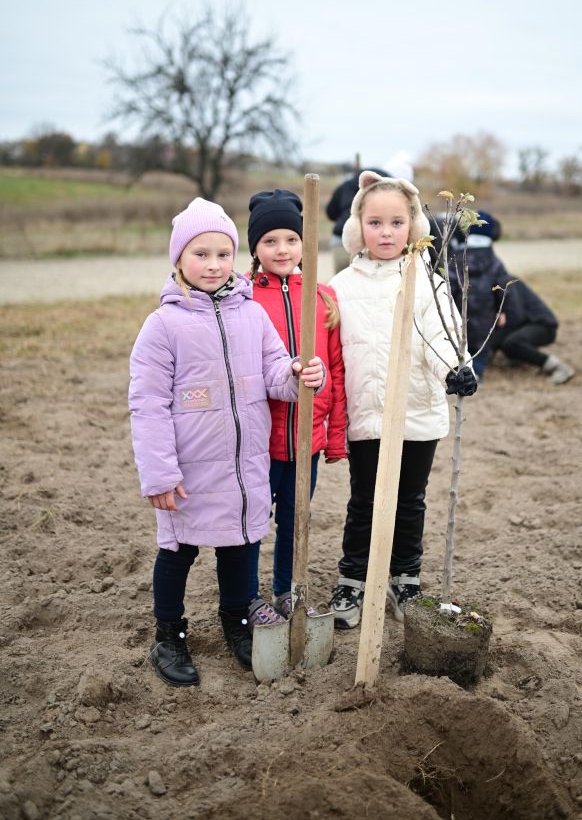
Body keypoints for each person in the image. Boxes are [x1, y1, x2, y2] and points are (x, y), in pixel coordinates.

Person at [128, 197, 324, 687]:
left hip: (243, 466)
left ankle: (238, 622)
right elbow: (147, 406)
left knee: (241, 544)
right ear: (179, 260)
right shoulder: (162, 327)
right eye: (201, 254)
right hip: (189, 471)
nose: (213, 265)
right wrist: (159, 474)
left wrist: (299, 373)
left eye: (222, 254)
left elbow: (277, 376)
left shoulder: (251, 315)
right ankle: (168, 633)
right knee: (178, 552)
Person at [327, 171, 477, 629]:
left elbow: (440, 334)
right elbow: (329, 348)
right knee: (365, 501)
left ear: (412, 226)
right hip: (367, 414)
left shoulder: (425, 280)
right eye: (375, 223)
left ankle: (404, 578)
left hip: (416, 411)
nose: (386, 232)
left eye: (396, 222)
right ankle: (354, 580)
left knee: (410, 501)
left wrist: (456, 366)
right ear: (358, 228)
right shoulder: (340, 286)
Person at [246, 189, 348, 617]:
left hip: (307, 439)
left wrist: (336, 437)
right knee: (249, 523)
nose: (282, 249)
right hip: (258, 441)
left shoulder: (323, 297)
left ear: (304, 243)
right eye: (269, 241)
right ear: (254, 247)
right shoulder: (242, 297)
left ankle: (286, 591)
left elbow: (337, 370)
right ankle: (248, 596)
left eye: (290, 239)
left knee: (294, 521)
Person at [447, 210, 510, 379]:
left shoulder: (456, 260)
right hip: (486, 315)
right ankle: (478, 372)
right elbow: (502, 285)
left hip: (460, 313)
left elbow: (449, 286)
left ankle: (462, 371)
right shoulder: (494, 261)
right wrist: (501, 309)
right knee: (482, 346)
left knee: (460, 345)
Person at [490, 277, 575, 384]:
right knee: (505, 341)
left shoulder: (505, 283)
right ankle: (518, 358)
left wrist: (490, 344)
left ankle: (559, 367)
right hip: (525, 325)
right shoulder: (494, 282)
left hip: (542, 325)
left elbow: (515, 317)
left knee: (512, 343)